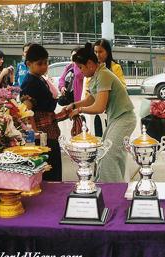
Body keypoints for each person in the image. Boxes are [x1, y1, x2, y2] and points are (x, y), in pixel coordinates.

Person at [63, 42, 136, 182]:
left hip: (124, 118)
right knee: (107, 153)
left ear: (90, 64)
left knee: (108, 154)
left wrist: (79, 110)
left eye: (80, 67)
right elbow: (91, 99)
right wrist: (74, 104)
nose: (80, 71)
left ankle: (111, 190)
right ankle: (113, 186)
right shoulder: (98, 74)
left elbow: (99, 107)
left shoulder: (103, 75)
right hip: (117, 118)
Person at [20, 44, 62, 182]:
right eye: (40, 64)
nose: (44, 66)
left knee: (53, 166)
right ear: (29, 64)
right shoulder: (29, 82)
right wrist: (35, 133)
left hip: (49, 128)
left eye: (46, 63)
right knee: (49, 170)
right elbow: (27, 111)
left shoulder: (39, 78)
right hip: (42, 132)